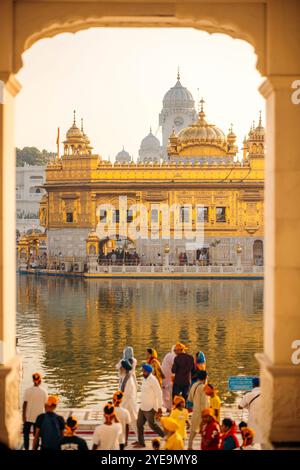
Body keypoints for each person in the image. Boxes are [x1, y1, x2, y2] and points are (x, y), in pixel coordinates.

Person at [133, 364, 165, 448]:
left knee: (152, 425)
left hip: (150, 407)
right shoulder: (144, 379)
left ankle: (165, 437)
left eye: (143, 371)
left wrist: (159, 407)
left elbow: (159, 393)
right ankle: (141, 442)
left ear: (147, 372)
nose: (142, 372)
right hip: (143, 406)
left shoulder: (153, 380)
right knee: (139, 424)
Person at [23, 372, 48, 450]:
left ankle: (26, 448)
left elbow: (25, 404)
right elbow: (46, 405)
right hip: (39, 418)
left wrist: (23, 415)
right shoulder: (44, 392)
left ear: (33, 380)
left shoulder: (27, 390)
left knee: (26, 435)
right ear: (40, 380)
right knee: (36, 435)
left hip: (28, 417)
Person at [187, 370, 209, 449]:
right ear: (205, 378)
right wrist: (206, 415)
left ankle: (189, 446)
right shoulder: (202, 387)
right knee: (205, 432)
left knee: (193, 431)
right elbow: (204, 403)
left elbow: (190, 398)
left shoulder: (194, 385)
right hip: (202, 413)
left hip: (195, 411)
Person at [238, 377, 262, 444]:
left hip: (252, 421)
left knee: (250, 441)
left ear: (253, 385)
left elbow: (240, 407)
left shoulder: (248, 395)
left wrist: (246, 402)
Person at [119, 360, 138, 438]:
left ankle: (140, 441)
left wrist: (121, 406)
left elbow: (127, 395)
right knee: (129, 423)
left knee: (134, 423)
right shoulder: (125, 377)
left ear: (124, 368)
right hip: (127, 404)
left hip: (129, 405)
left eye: (121, 367)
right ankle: (125, 439)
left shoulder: (129, 380)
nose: (119, 369)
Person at [161, 346, 176, 412]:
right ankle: (169, 409)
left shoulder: (168, 355)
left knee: (166, 394)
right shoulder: (172, 357)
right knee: (169, 393)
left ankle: (168, 408)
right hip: (168, 378)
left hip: (165, 378)